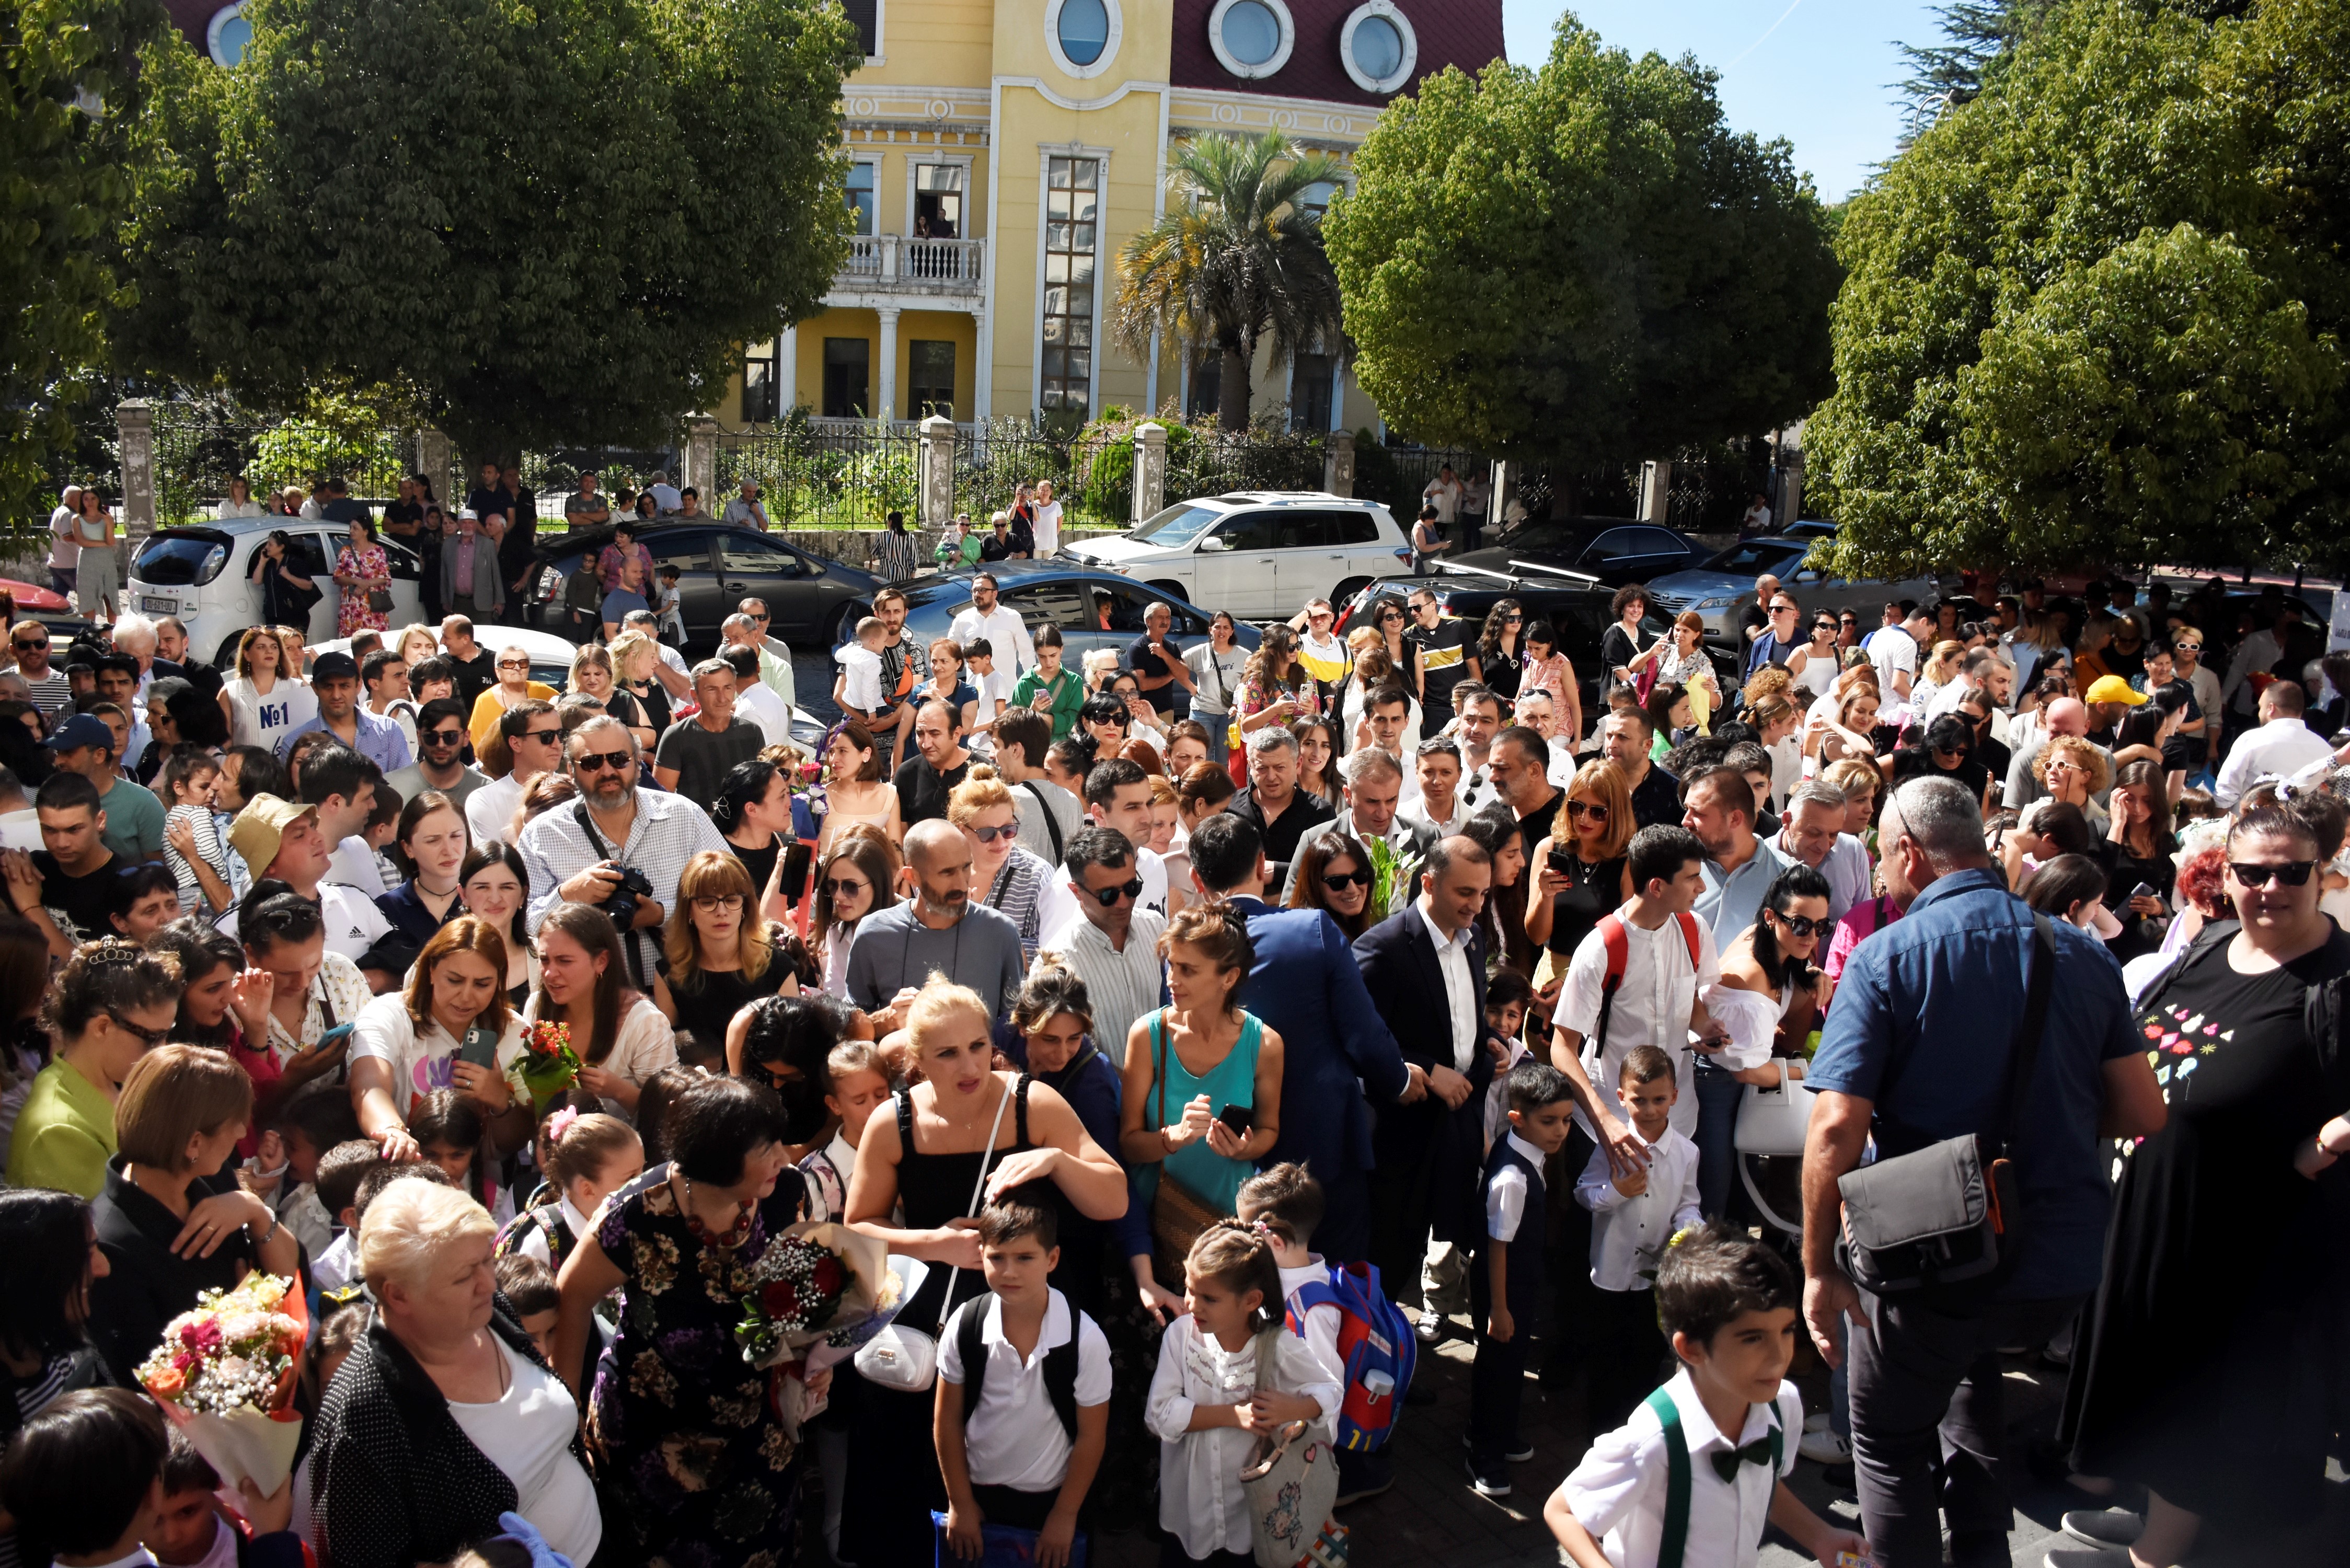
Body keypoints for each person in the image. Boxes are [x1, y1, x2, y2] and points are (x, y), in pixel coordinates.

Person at [1800, 776, 2166, 1568]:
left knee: (1890, 1438)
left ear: (1907, 852)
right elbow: (2142, 1113)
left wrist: (1818, 1267)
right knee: (1969, 1374)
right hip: (2056, 1267)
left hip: (1928, 1260)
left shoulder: (1886, 956)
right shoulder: (2080, 951)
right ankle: (1982, 1553)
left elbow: (1834, 1128)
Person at [2052, 798, 2350, 1568]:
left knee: (2201, 1385)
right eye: (2253, 872)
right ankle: (2149, 1511)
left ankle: (2162, 1550)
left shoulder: (2338, 977)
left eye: (2292, 872)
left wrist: (2332, 1137)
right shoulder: (2211, 944)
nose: (2271, 888)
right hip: (2151, 1204)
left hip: (2250, 1226)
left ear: (2325, 874)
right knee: (2149, 1366)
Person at [842, 977, 1128, 1563]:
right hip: (936, 1311)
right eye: (947, 1053)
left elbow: (1113, 1198)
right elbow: (858, 1230)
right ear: (917, 1060)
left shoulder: (1033, 1103)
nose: (969, 1065)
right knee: (917, 1454)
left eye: (977, 1046)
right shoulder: (893, 1122)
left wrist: (1053, 1158)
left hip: (1029, 1303)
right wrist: (935, 1243)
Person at [312, 1177, 600, 1568]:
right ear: (398, 1294)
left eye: (486, 1260)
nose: (487, 1282)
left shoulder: (489, 1309)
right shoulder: (364, 1413)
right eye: (464, 1276)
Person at [1544, 1224, 1868, 1568]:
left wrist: (1819, 1535)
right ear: (1692, 1349)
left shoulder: (1781, 1405)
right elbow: (1564, 1511)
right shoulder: (1654, 1440)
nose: (1779, 1357)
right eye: (1753, 1338)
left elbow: (1761, 1487)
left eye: (1786, 1331)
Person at [1182, 812, 1408, 1266]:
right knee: (1336, 1287)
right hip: (1320, 1150)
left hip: (1224, 1152)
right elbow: (1364, 1034)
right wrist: (1402, 1081)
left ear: (1195, 878)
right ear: (1264, 864)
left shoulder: (1184, 952)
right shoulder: (1313, 931)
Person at [85, 1044, 303, 1382]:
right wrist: (240, 1314)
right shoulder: (113, 1244)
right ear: (194, 1144)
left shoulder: (213, 1177)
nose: (242, 1134)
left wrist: (255, 1211)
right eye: (234, 1124)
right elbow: (154, 1376)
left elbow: (289, 1278)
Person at [1354, 834, 1497, 1328]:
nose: (1476, 906)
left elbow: (1461, 1016)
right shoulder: (1383, 948)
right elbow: (1359, 1035)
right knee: (1390, 1254)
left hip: (1454, 1122)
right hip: (1401, 1133)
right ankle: (1373, 1361)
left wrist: (1484, 1049)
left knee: (1445, 1234)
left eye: (1483, 894)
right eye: (1465, 893)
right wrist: (1428, 1070)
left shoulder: (1474, 939)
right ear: (1429, 883)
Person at [1144, 1222, 1341, 1567]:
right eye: (1189, 1290)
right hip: (1190, 1513)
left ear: (1252, 1300)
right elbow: (1158, 1415)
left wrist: (1294, 1407)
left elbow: (1330, 1391)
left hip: (1251, 1518)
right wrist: (1233, 1416)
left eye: (1209, 1298)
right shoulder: (1180, 1337)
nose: (1192, 1305)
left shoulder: (1278, 1346)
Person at [936, 1201, 1113, 1565]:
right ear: (981, 1255)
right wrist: (960, 1502)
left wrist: (1064, 1515)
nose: (1009, 1271)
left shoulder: (1086, 1339)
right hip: (978, 1498)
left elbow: (1091, 1436)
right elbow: (947, 1420)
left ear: (1052, 1259)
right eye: (997, 1258)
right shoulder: (965, 1325)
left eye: (1025, 1258)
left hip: (1050, 1501)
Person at [521, 713, 733, 994]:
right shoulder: (542, 833)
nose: (608, 771)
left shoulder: (684, 815)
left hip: (688, 991)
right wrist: (568, 895)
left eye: (619, 759)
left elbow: (735, 893)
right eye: (592, 762)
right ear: (571, 771)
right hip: (590, 998)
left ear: (637, 762)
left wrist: (663, 913)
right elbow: (525, 926)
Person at [1464, 1060, 1578, 1496]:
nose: (1561, 1131)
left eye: (1566, 1120)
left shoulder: (1520, 1151)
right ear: (1517, 1119)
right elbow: (1498, 1244)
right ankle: (1485, 1456)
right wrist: (1499, 1308)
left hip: (1517, 1284)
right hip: (1505, 1290)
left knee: (1505, 1369)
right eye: (1549, 1121)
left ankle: (1492, 1434)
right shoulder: (1513, 1176)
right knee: (1500, 1370)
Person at [5, 940, 182, 1198]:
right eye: (152, 1037)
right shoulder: (56, 1131)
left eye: (169, 1034)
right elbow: (110, 1229)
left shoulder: (116, 1078)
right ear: (102, 1027)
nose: (163, 1049)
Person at [845, 818, 1027, 1025]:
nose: (961, 883)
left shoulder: (1001, 933)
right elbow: (850, 1032)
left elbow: (1013, 1030)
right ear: (912, 877)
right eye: (947, 873)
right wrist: (884, 1021)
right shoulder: (873, 934)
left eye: (966, 867)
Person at [523, 902, 677, 1119]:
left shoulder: (645, 1022)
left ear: (601, 961)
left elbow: (670, 1114)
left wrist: (619, 1091)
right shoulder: (536, 1006)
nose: (549, 974)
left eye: (564, 961)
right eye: (544, 960)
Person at [660, 849, 804, 1048]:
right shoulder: (670, 971)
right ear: (688, 910)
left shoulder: (779, 967)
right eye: (708, 902)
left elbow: (794, 1047)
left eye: (731, 900)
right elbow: (668, 1050)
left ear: (745, 907)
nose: (721, 912)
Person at [1527, 758, 1637, 997]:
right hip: (1551, 974)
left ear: (1616, 814)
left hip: (1602, 978)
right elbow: (1536, 937)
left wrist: (1573, 982)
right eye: (1577, 807)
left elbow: (1629, 941)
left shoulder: (1628, 862)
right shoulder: (1548, 849)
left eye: (1598, 812)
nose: (1584, 819)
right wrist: (1545, 897)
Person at [954, 764, 1055, 962]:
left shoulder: (1037, 876)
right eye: (988, 834)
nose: (1001, 842)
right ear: (962, 830)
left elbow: (1049, 953)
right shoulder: (943, 873)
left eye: (1008, 830)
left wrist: (981, 936)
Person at [2213, 677, 2331, 807]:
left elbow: (2227, 790)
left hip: (2254, 821)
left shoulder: (2252, 739)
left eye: (2260, 707)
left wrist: (2217, 820)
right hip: (2304, 823)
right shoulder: (2324, 747)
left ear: (2271, 708)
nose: (2259, 713)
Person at [464, 700, 559, 848]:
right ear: (516, 743)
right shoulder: (485, 801)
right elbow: (494, 867)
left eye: (561, 734)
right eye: (547, 736)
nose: (557, 744)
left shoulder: (576, 793)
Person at [894, 697, 975, 827]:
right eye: (920, 734)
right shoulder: (907, 774)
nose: (926, 744)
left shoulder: (983, 774)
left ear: (956, 735)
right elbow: (902, 833)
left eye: (935, 734)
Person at [437, 509, 504, 622]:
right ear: (459, 524)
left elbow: (495, 573)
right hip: (458, 602)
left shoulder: (487, 544)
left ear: (476, 525)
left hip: (483, 601)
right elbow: (444, 573)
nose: (468, 526)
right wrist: (445, 599)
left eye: (471, 522)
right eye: (464, 522)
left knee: (483, 637)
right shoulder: (449, 544)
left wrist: (499, 600)